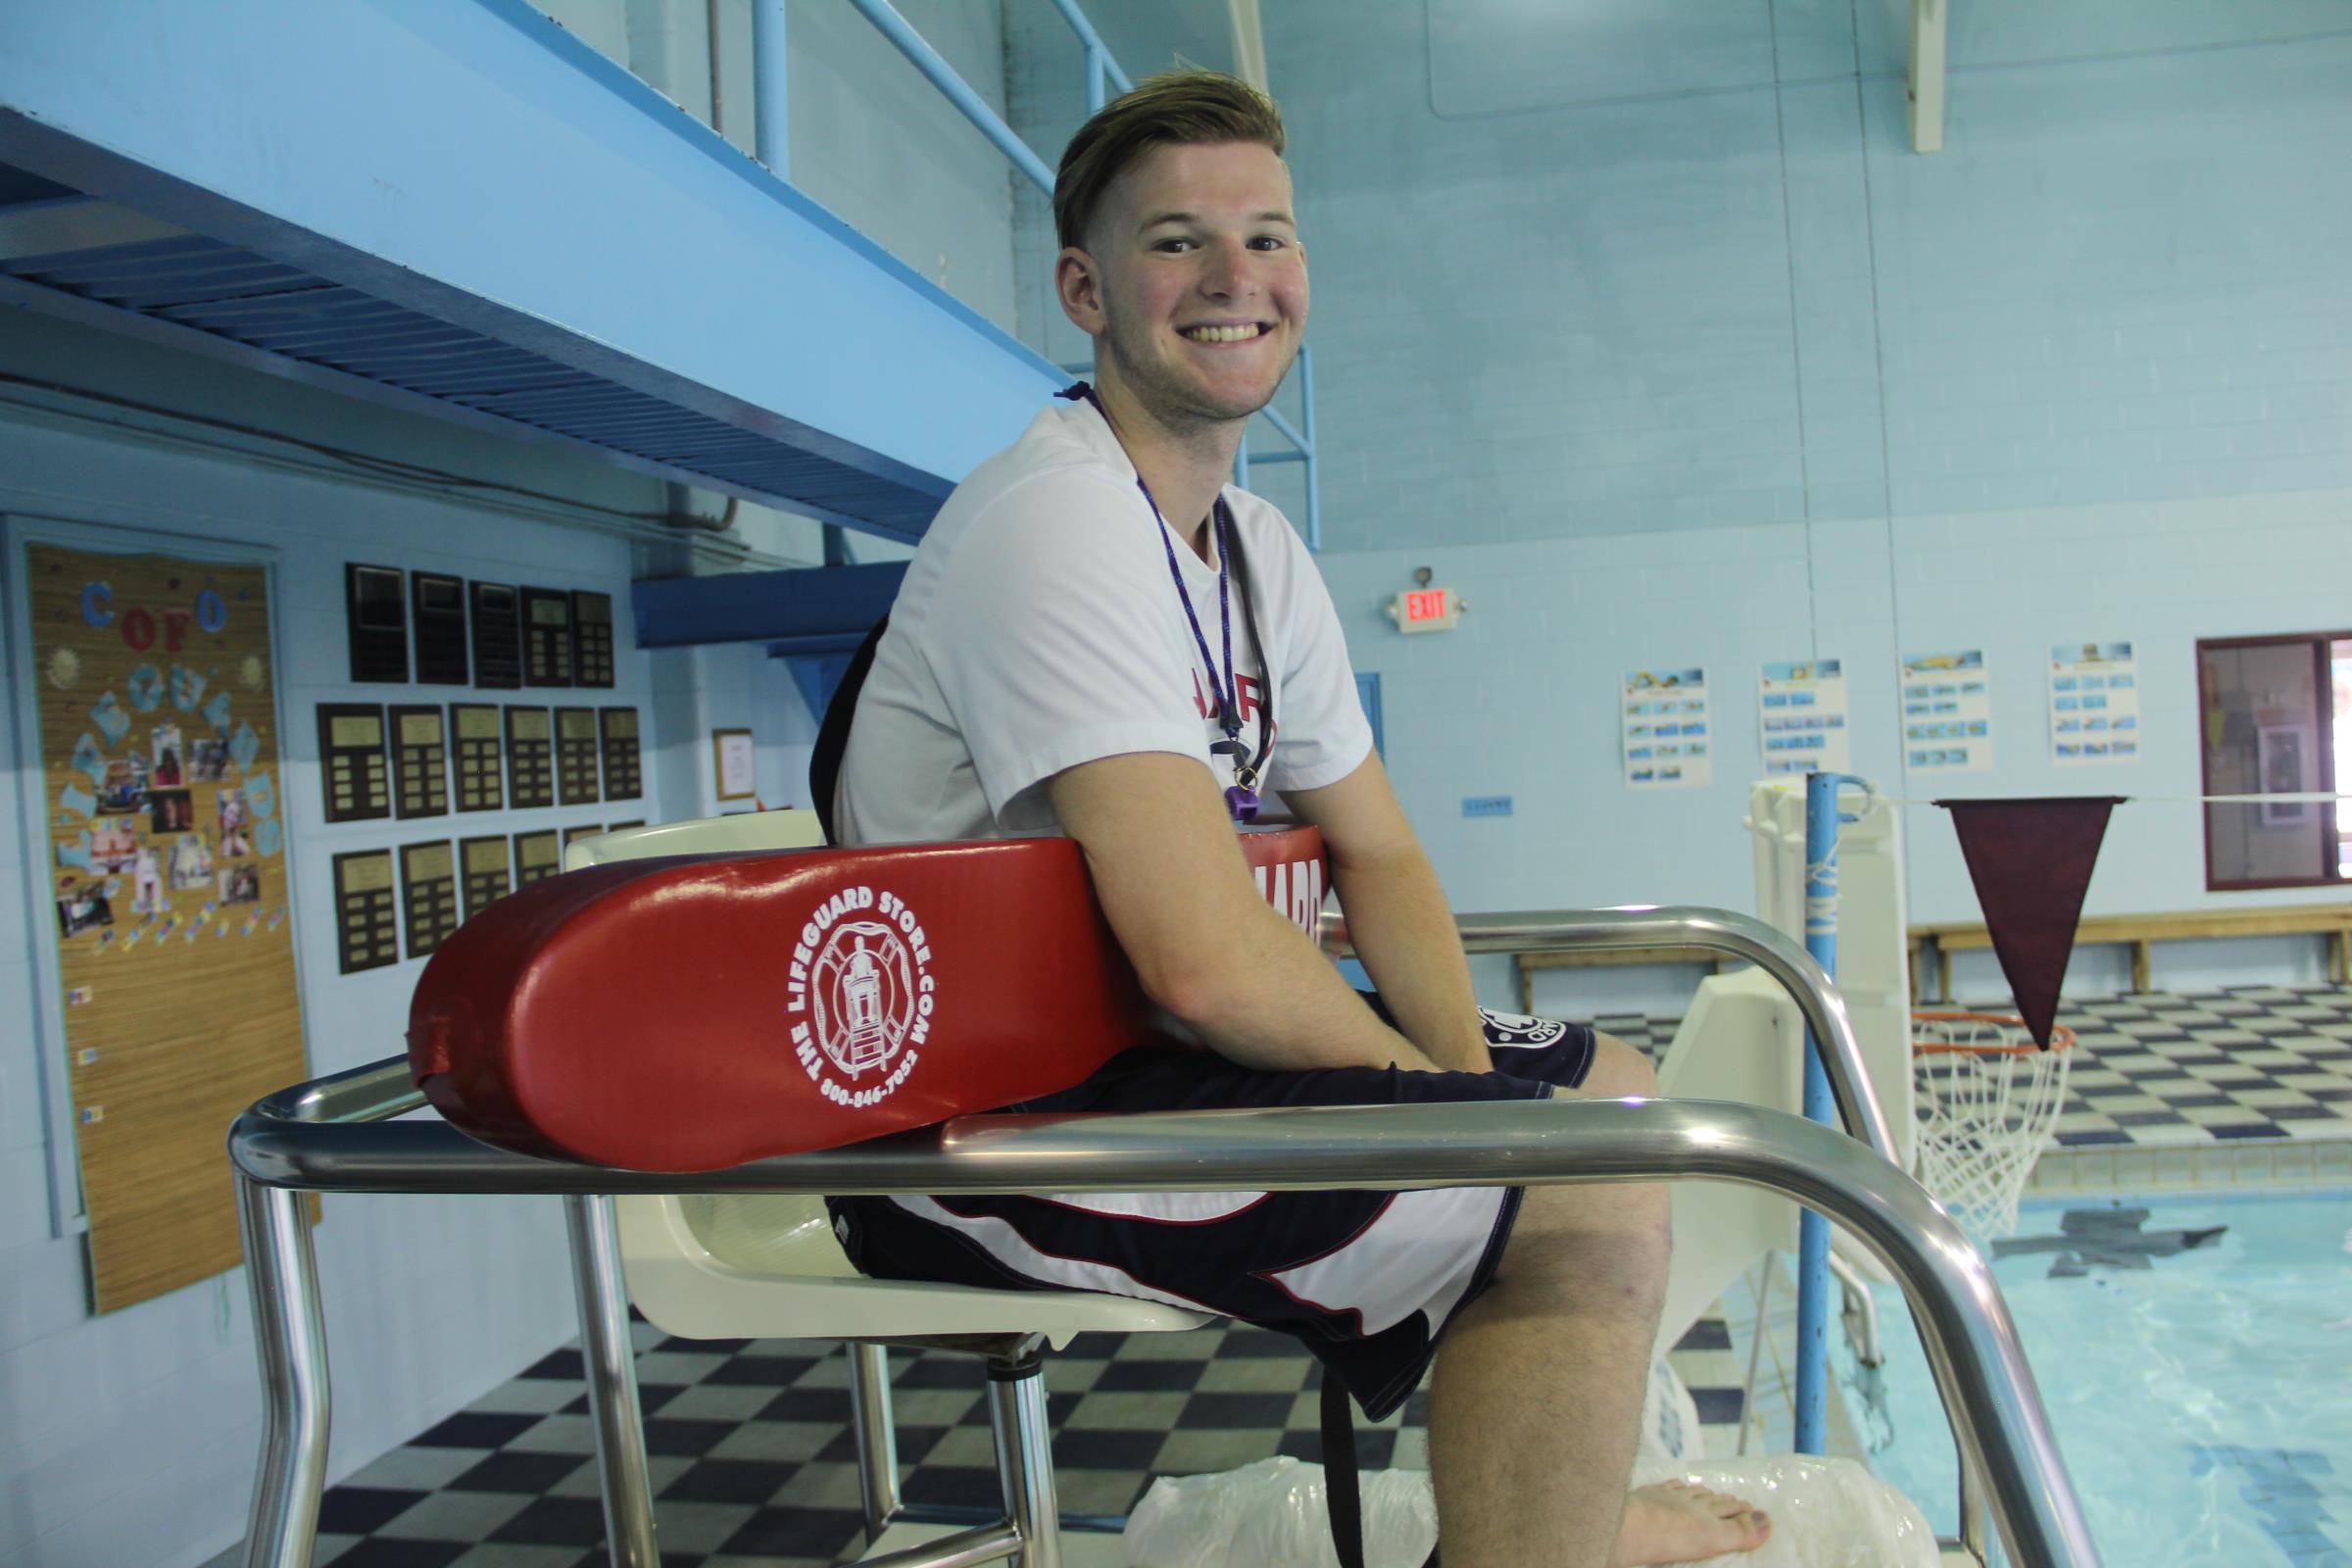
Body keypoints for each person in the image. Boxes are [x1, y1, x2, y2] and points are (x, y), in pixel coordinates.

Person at [829, 71, 1769, 1567]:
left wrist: (1458, 1089)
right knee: (1573, 1192)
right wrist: (1459, 1129)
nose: (1235, 278)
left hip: (1143, 1050)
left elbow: (1379, 851)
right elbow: (1204, 960)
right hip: (971, 1128)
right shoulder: (1055, 520)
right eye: (1177, 242)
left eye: (1267, 237)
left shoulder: (1256, 547)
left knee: (1614, 1092)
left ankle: (1554, 1517)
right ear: (1084, 290)